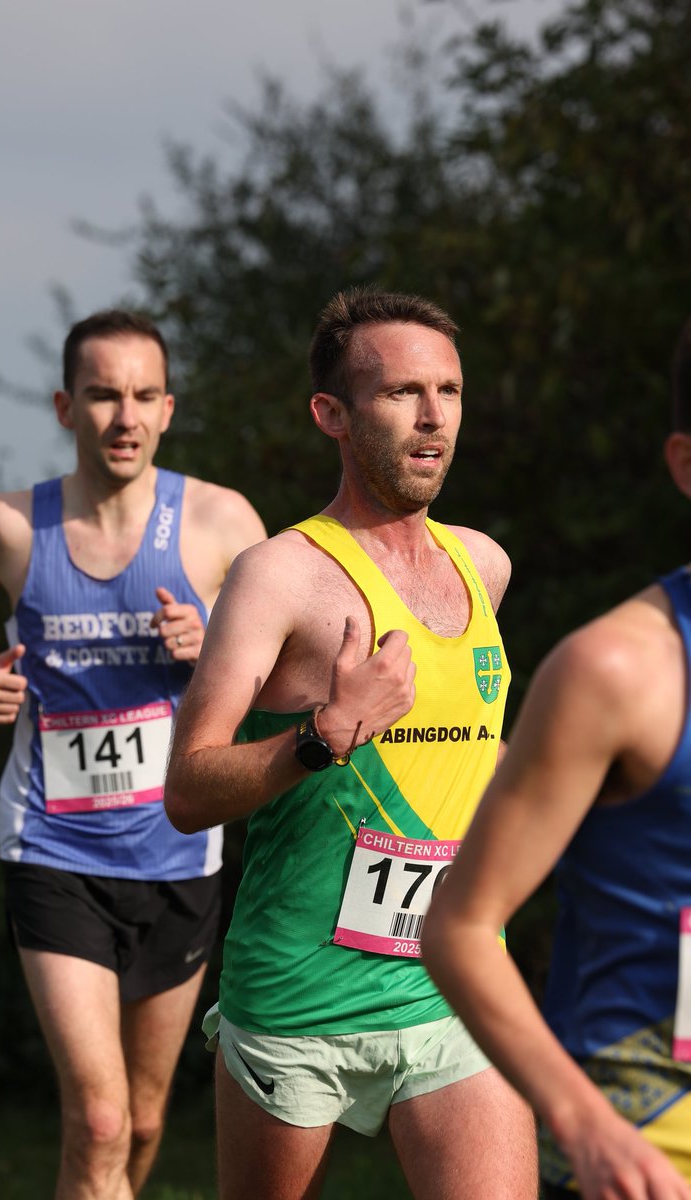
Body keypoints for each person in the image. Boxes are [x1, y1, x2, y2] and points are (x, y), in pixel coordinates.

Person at [163, 287, 537, 1199]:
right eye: (402, 392)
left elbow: (470, 757)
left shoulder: (483, 566)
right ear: (331, 413)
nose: (432, 417)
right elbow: (187, 788)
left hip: (448, 987)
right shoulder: (279, 575)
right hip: (299, 997)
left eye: (448, 392)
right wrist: (322, 737)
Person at [0, 310, 266, 1200]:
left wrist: (217, 642)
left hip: (178, 850)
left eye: (144, 395)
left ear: (168, 408)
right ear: (65, 407)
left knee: (145, 1121)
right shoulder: (7, 527)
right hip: (53, 849)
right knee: (102, 1117)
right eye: (104, 394)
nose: (126, 415)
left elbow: (289, 662)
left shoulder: (223, 522)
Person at [422, 317, 691, 1199]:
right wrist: (584, 1125)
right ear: (686, 467)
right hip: (647, 1152)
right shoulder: (615, 671)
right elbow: (460, 929)